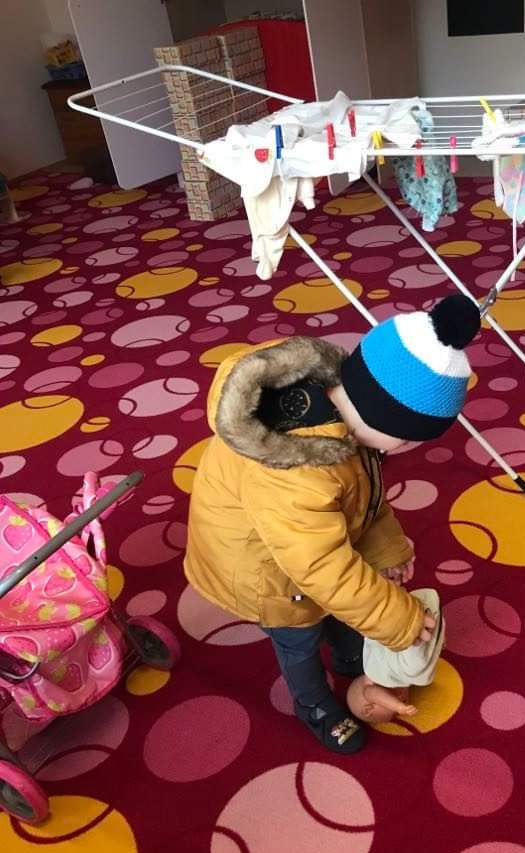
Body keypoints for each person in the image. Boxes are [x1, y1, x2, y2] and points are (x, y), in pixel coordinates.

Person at [184, 294, 481, 754]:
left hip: (300, 549)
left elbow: (365, 496)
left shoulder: (347, 418)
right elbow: (320, 567)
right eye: (407, 441)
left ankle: (348, 649)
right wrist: (394, 618)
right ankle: (314, 703)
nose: (405, 451)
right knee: (299, 637)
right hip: (267, 574)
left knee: (342, 603)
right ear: (386, 417)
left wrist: (388, 550)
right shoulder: (296, 471)